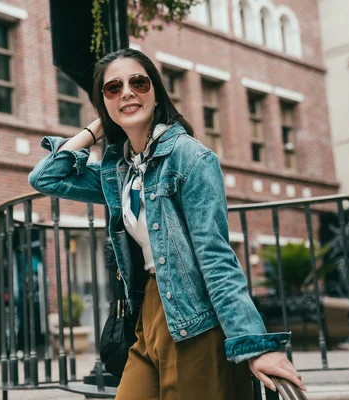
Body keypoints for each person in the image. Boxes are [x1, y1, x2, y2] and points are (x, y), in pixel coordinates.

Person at [29, 48, 305, 399]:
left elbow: (216, 256)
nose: (127, 92)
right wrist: (97, 126)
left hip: (195, 321)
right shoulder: (120, 170)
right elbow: (45, 177)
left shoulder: (191, 158)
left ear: (156, 92)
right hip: (148, 317)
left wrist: (254, 343)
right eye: (113, 89)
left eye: (138, 83)